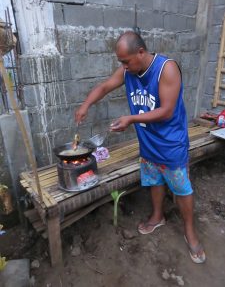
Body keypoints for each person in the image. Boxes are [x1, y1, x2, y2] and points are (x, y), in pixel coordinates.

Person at [75, 31, 206, 263]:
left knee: (181, 187)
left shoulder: (166, 69)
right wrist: (85, 105)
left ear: (141, 52)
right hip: (148, 143)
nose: (123, 67)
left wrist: (130, 119)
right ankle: (158, 216)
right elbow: (105, 87)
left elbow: (166, 111)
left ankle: (190, 230)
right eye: (121, 62)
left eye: (126, 61)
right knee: (154, 179)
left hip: (171, 143)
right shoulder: (128, 70)